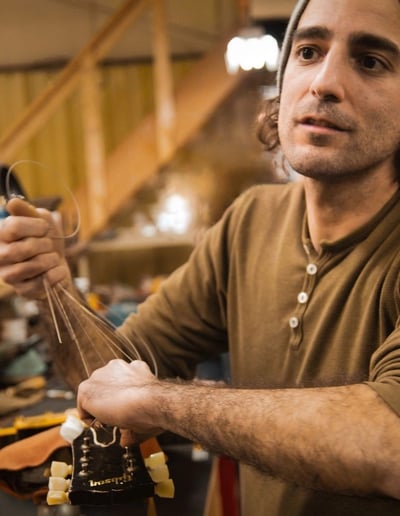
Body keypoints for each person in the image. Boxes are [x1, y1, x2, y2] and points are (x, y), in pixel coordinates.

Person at [1, 0, 400, 514]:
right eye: (307, 51)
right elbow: (107, 377)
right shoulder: (249, 221)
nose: (323, 82)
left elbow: (388, 443)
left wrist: (162, 402)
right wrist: (53, 286)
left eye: (371, 60)